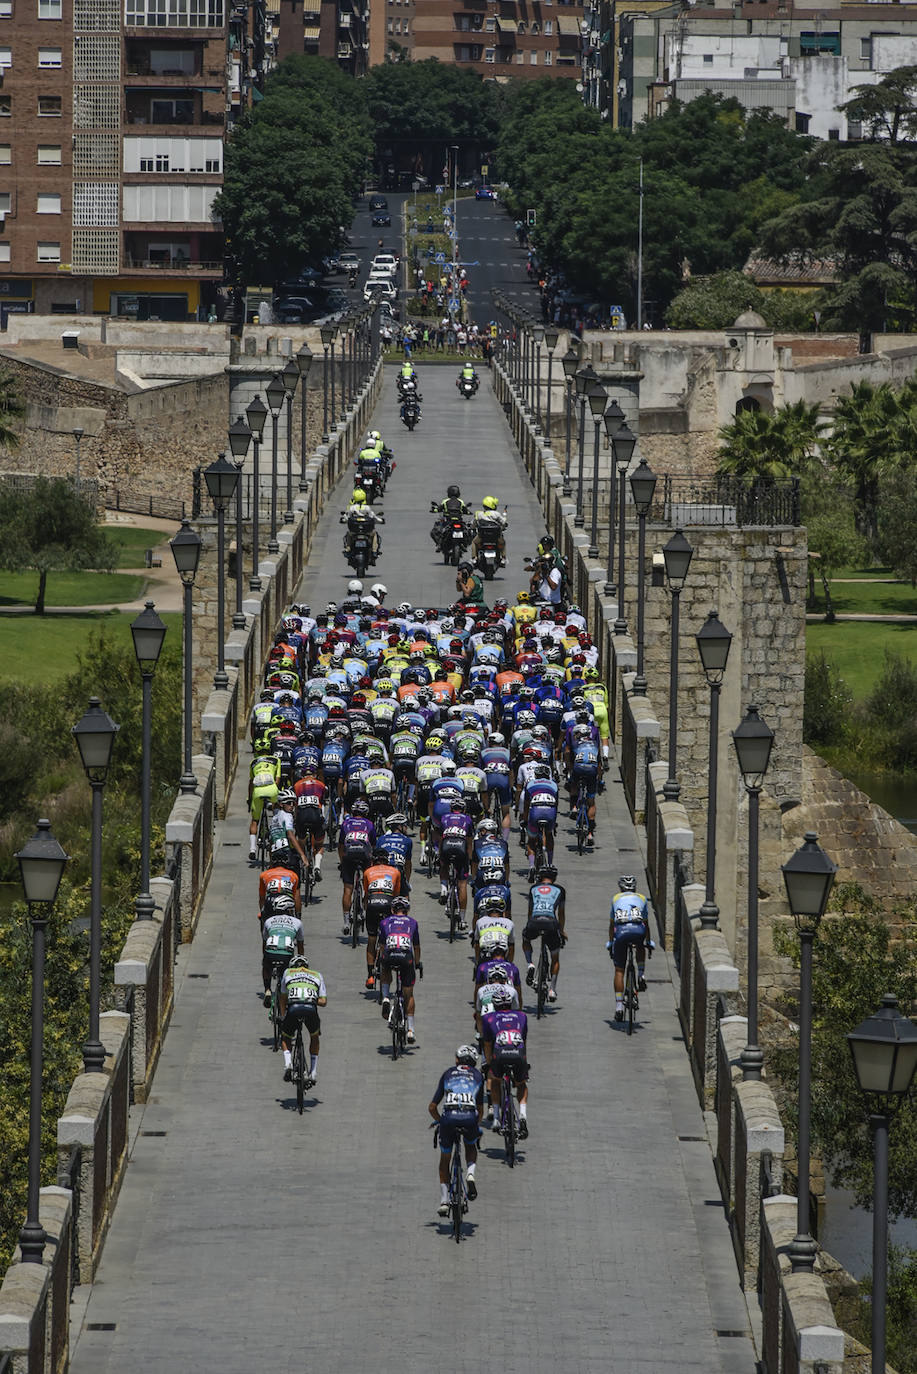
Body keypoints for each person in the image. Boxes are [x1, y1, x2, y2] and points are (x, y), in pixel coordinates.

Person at [428, 1045, 484, 1215]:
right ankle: (470, 1174)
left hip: (448, 1119)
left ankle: (444, 1201)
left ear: (457, 1060)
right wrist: (476, 1125)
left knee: (445, 1159)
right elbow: (480, 1109)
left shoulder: (448, 1074)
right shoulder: (477, 1076)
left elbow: (431, 1107)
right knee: (470, 1145)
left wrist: (440, 1121)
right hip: (469, 1118)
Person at [481, 983, 529, 1138]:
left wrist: (489, 1065)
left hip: (500, 1054)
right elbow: (524, 1040)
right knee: (521, 1083)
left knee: (495, 1080)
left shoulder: (488, 1018)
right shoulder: (522, 1016)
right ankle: (522, 1115)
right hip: (518, 1053)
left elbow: (487, 1045)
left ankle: (495, 1117)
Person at [607, 875, 653, 1023]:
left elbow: (611, 925)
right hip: (638, 930)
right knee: (641, 945)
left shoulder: (615, 899)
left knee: (619, 970)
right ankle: (640, 975)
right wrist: (648, 941)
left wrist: (610, 943)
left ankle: (619, 1007)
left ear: (621, 888)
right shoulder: (642, 898)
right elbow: (646, 924)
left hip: (621, 933)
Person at [378, 894, 422, 1043]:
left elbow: (382, 947)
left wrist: (381, 962)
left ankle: (385, 996)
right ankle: (410, 1030)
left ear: (392, 909)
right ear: (407, 911)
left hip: (390, 955)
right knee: (409, 994)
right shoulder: (413, 923)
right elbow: (416, 947)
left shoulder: (384, 922)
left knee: (385, 967)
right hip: (406, 957)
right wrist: (417, 963)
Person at [279, 954, 327, 1085]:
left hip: (293, 1008)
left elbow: (282, 997)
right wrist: (310, 998)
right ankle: (313, 1072)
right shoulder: (317, 975)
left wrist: (283, 1017)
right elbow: (323, 1002)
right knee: (315, 1036)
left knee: (285, 1037)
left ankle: (288, 1064)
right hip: (310, 1008)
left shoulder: (287, 973)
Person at [522, 864, 566, 1001]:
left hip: (534, 921)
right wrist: (561, 931)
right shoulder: (560, 890)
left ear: (540, 877)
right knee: (555, 957)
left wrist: (529, 925)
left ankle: (530, 964)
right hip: (551, 923)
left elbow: (530, 911)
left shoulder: (533, 888)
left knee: (526, 938)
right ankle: (552, 989)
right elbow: (561, 913)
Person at [260, 896, 304, 1005]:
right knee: (286, 973)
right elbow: (300, 946)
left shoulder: (269, 921)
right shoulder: (297, 922)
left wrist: (265, 958)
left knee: (266, 967)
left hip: (270, 952)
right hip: (286, 954)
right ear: (289, 909)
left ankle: (267, 990)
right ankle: (285, 993)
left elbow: (264, 942)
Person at [438, 793, 473, 929]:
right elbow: (469, 842)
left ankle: (443, 888)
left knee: (444, 866)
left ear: (451, 809)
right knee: (463, 884)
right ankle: (463, 919)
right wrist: (469, 859)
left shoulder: (444, 818)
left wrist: (440, 856)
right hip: (461, 849)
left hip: (447, 847)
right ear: (463, 810)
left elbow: (441, 839)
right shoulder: (468, 819)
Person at [341, 488, 381, 561]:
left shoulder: (352, 508)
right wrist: (380, 520)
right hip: (367, 532)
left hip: (354, 532)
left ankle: (348, 549)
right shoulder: (367, 508)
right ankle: (374, 550)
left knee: (349, 535)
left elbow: (347, 517)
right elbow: (373, 517)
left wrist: (343, 519)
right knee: (374, 534)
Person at [430, 485, 469, 551]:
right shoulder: (461, 502)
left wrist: (434, 510)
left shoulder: (445, 501)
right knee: (467, 531)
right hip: (459, 521)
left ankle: (439, 545)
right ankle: (464, 544)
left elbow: (439, 509)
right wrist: (468, 512)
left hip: (448, 521)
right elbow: (465, 510)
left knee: (435, 531)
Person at [470, 495, 506, 566]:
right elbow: (503, 522)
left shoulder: (479, 514)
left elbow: (473, 524)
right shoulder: (497, 514)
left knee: (474, 542)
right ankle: (503, 558)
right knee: (502, 543)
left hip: (482, 537)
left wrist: (472, 527)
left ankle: (474, 558)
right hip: (495, 537)